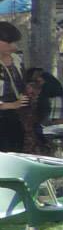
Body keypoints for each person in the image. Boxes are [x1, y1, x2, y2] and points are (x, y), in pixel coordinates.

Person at [0, 21, 31, 153]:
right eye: (9, 42)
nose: (13, 47)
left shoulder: (17, 61)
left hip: (15, 120)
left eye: (14, 42)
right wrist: (11, 105)